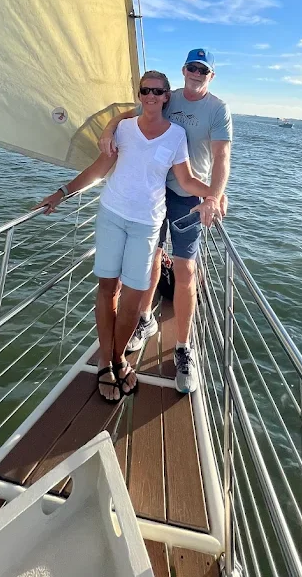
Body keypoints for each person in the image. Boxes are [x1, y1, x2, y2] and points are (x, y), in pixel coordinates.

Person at [36, 70, 220, 403]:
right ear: (139, 94)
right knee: (109, 287)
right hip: (111, 215)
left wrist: (215, 194)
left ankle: (117, 355)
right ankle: (109, 361)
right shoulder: (123, 128)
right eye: (144, 90)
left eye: (157, 91)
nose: (150, 96)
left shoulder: (176, 135)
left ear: (167, 96)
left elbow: (188, 180)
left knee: (134, 298)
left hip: (148, 222)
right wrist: (62, 193)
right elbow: (98, 169)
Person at [98, 48, 232, 394]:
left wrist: (214, 195)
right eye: (192, 66)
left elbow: (221, 155)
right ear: (184, 69)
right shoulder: (165, 96)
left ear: (211, 75)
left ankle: (184, 347)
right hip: (155, 193)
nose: (197, 72)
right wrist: (109, 130)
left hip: (189, 195)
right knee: (154, 257)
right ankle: (144, 319)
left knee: (186, 269)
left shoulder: (217, 109)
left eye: (203, 69)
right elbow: (129, 114)